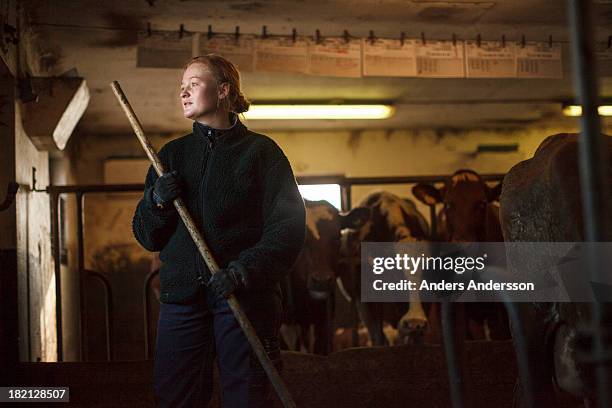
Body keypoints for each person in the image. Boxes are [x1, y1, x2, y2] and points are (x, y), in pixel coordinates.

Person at [132, 54, 306, 407]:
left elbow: (288, 228)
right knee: (176, 398)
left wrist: (243, 271)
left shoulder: (262, 153)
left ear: (224, 90)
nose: (184, 93)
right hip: (181, 299)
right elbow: (146, 235)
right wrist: (157, 201)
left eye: (194, 84)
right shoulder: (171, 155)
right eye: (182, 87)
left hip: (242, 296)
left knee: (246, 398)